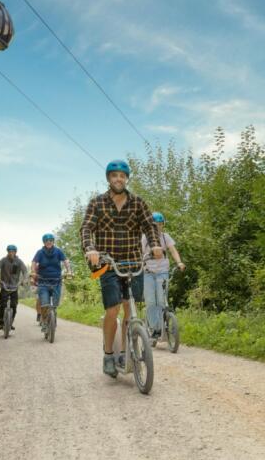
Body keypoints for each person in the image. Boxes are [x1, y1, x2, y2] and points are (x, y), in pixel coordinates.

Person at [81, 159, 162, 377]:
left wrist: (155, 244)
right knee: (113, 309)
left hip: (134, 262)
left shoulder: (138, 203)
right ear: (109, 178)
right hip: (108, 264)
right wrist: (90, 249)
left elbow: (149, 225)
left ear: (126, 179)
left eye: (122, 176)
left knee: (131, 308)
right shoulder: (97, 203)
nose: (119, 179)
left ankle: (124, 352)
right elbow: (87, 228)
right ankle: (108, 354)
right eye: (115, 175)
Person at [142, 212, 185, 339]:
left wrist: (179, 262)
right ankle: (155, 329)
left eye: (161, 224)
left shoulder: (166, 237)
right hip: (148, 273)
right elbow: (138, 253)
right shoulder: (144, 238)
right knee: (150, 301)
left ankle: (162, 326)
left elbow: (173, 250)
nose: (158, 227)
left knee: (161, 300)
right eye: (155, 225)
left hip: (162, 272)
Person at [32, 233, 71, 332]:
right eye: (46, 241)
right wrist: (33, 272)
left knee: (55, 305)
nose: (49, 242)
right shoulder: (40, 252)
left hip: (56, 281)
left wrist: (69, 271)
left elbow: (65, 260)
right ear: (44, 242)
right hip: (43, 282)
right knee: (44, 304)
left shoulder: (58, 251)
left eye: (50, 240)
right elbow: (34, 262)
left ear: (53, 241)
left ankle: (53, 318)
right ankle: (44, 322)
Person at [0, 244, 28, 331]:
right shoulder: (3, 260)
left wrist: (25, 280)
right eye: (10, 251)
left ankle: (10, 322)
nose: (11, 253)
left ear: (16, 252)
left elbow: (25, 271)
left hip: (14, 286)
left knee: (14, 305)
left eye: (13, 251)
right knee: (3, 304)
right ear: (7, 252)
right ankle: (1, 322)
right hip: (4, 285)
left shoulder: (19, 262)